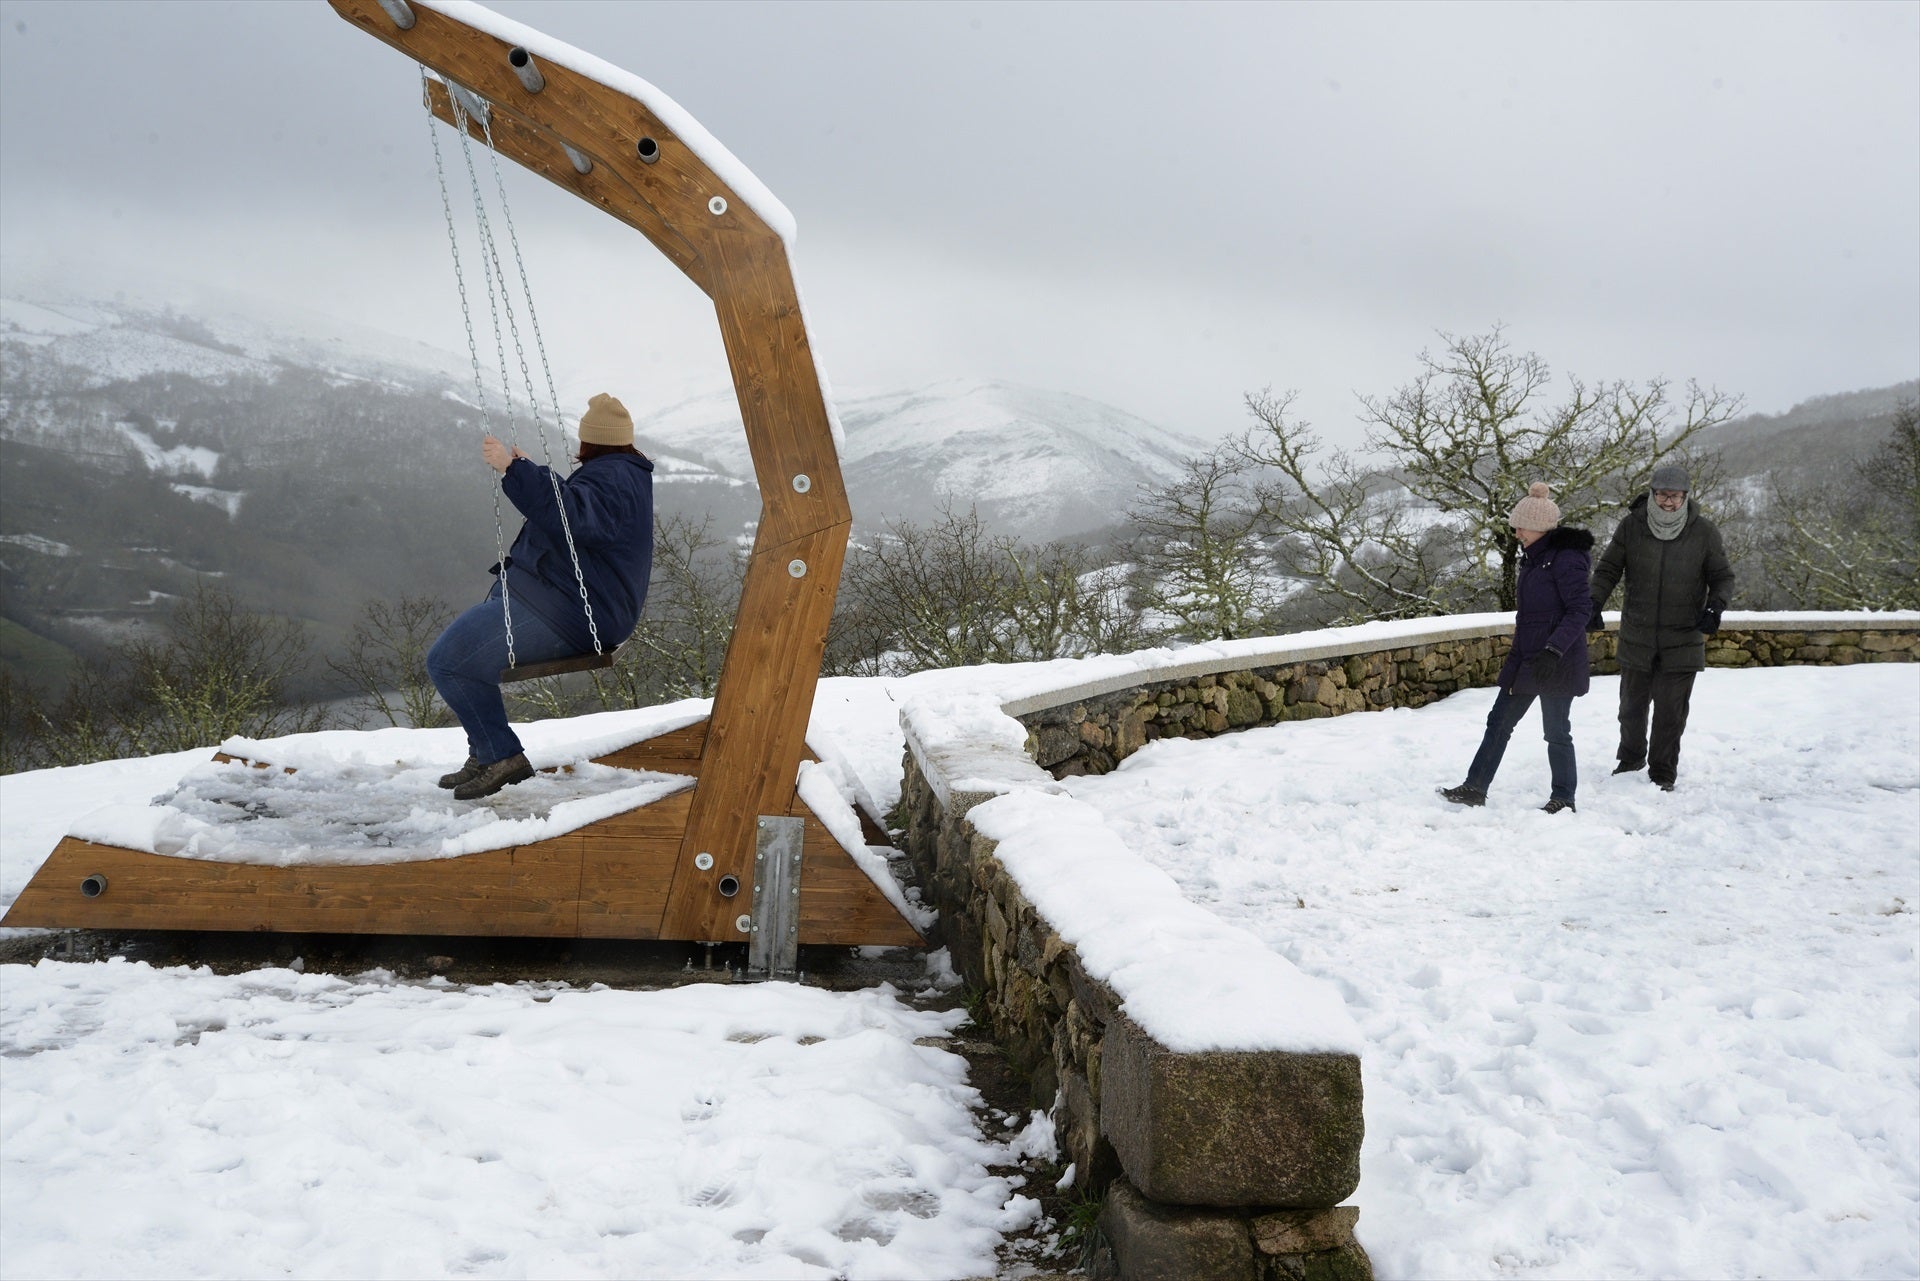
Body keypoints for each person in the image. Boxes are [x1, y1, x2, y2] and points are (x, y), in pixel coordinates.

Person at [427, 393, 655, 800]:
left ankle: (502, 757)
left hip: (574, 611)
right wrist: (527, 471)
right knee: (463, 658)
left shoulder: (615, 478)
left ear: (592, 440)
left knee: (449, 661)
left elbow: (572, 517)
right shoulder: (619, 472)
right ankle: (485, 752)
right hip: (562, 599)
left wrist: (514, 469)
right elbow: (577, 511)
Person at [1441, 483, 1594, 813]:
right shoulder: (1533, 559)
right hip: (1527, 657)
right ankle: (1474, 787)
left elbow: (1581, 610)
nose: (1516, 532)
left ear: (1539, 526)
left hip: (1557, 660)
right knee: (1498, 722)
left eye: (1520, 526)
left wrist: (1553, 650)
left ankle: (1564, 797)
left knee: (1556, 731)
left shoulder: (1566, 559)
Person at [1586, 463, 1734, 792]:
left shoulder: (1704, 532)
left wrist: (1715, 606)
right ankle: (1631, 758)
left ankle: (1663, 772)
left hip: (1683, 636)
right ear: (1652, 494)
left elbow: (1723, 577)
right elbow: (1609, 568)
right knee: (1631, 708)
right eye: (1663, 495)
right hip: (1637, 632)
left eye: (1676, 496)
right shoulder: (1631, 527)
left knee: (1671, 711)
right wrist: (1593, 602)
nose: (1669, 502)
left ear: (1685, 497)